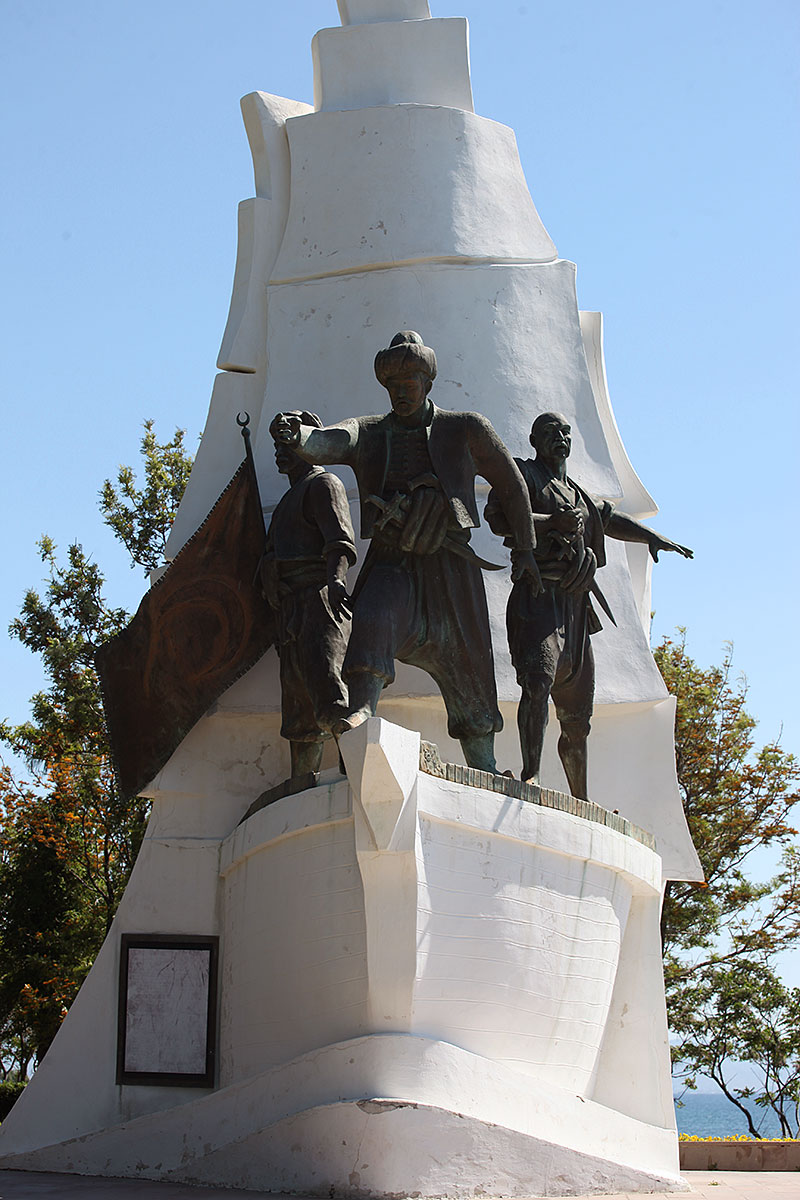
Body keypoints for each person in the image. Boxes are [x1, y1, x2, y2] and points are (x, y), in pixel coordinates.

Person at [272, 331, 542, 773]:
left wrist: (526, 551)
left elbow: (511, 485)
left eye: (409, 384)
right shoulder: (370, 432)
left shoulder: (466, 428)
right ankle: (361, 711)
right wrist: (298, 435)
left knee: (470, 659)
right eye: (393, 386)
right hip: (393, 557)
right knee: (374, 616)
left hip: (451, 563)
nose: (400, 393)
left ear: (428, 383)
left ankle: (483, 758)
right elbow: (329, 440)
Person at [485, 411, 692, 798]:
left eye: (565, 432)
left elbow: (610, 518)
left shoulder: (579, 495)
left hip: (576, 608)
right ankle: (531, 773)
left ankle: (580, 797)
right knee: (536, 683)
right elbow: (497, 516)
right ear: (533, 440)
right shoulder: (523, 475)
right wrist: (550, 523)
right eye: (550, 433)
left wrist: (653, 538)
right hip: (538, 596)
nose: (559, 438)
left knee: (578, 718)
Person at [262, 411, 357, 777]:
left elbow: (339, 540)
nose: (279, 453)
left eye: (287, 443)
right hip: (289, 610)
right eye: (276, 446)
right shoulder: (287, 501)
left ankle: (358, 768)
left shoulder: (323, 484)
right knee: (299, 711)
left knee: (329, 690)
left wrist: (336, 582)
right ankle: (301, 781)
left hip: (318, 601)